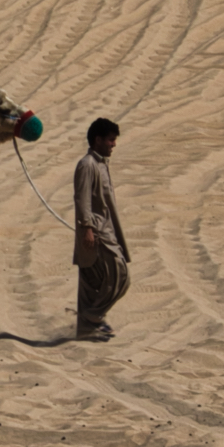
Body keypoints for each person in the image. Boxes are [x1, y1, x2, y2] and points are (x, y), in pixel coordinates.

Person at [73, 117, 128, 340]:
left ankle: (86, 329)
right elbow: (82, 199)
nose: (113, 144)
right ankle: (92, 316)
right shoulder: (87, 165)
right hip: (96, 233)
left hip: (107, 230)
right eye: (110, 140)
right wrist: (87, 229)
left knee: (93, 282)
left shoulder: (101, 163)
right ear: (98, 140)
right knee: (120, 276)